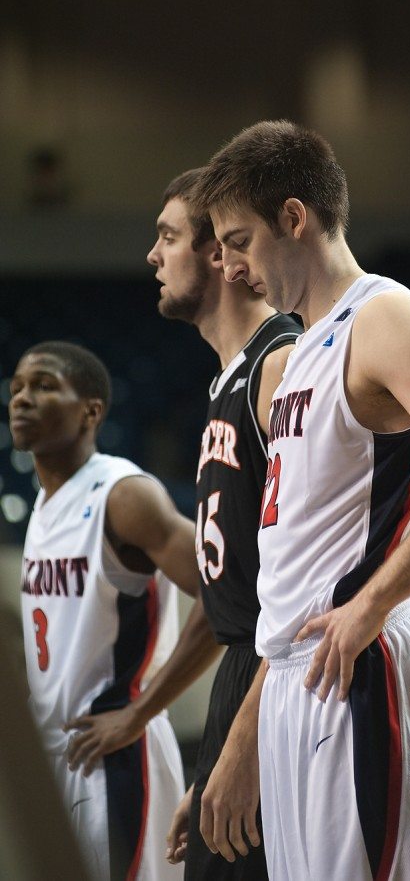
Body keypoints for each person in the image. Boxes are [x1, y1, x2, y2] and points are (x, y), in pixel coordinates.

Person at [191, 120, 410, 881]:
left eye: (239, 241)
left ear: (294, 218)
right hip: (295, 675)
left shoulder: (383, 317)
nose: (231, 266)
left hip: (358, 665)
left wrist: (375, 601)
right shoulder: (300, 350)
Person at [9, 340, 221, 881]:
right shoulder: (44, 501)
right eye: (16, 389)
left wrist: (140, 711)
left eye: (44, 386)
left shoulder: (123, 495)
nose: (22, 400)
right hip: (63, 753)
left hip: (119, 758)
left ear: (91, 411)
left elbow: (229, 592)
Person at [147, 169, 301, 878]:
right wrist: (212, 759)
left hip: (281, 678)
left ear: (219, 255)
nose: (153, 255)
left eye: (168, 236)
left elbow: (310, 578)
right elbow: (233, 587)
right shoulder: (226, 378)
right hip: (243, 680)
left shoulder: (279, 364)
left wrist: (241, 745)